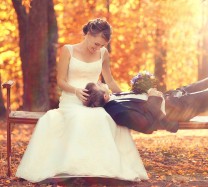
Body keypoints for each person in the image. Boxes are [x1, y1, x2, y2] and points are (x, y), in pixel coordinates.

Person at [16, 18, 148, 183]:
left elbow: (110, 80)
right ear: (88, 33)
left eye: (101, 45)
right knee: (80, 118)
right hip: (71, 99)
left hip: (94, 101)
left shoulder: (103, 54)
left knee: (105, 118)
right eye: (96, 43)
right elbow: (61, 81)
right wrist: (76, 91)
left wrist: (125, 96)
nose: (97, 48)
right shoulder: (68, 50)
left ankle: (100, 170)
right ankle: (75, 171)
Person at [84, 51, 208, 134]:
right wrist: (153, 97)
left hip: (173, 96)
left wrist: (147, 89)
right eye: (102, 86)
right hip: (177, 111)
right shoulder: (117, 111)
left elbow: (140, 100)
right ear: (104, 96)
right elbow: (145, 125)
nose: (105, 84)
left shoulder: (115, 98)